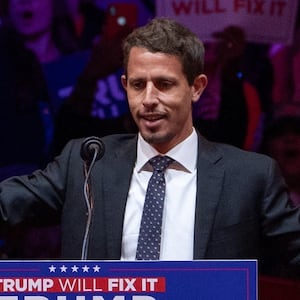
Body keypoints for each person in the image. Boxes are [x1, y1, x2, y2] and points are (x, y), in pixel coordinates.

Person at [0, 18, 300, 277]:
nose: (148, 99)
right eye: (137, 84)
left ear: (196, 88)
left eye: (164, 84)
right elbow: (7, 203)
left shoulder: (249, 176)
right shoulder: (87, 164)